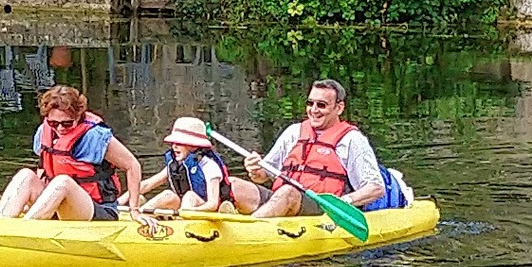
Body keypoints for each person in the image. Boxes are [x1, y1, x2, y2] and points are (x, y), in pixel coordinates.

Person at [0, 85, 147, 222]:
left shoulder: (95, 136)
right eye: (54, 123)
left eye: (67, 123)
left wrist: (134, 210)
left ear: (78, 116)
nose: (60, 128)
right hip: (56, 203)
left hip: (96, 209)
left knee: (63, 181)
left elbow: (132, 166)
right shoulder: (44, 131)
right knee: (25, 175)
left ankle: (27, 229)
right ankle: (2, 223)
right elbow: (43, 169)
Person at [244, 79, 387, 218]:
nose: (314, 110)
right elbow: (263, 176)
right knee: (233, 184)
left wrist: (344, 202)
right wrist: (255, 169)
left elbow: (376, 188)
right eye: (310, 103)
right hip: (280, 199)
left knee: (288, 192)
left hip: (321, 208)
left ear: (339, 108)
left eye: (321, 105)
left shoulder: (352, 140)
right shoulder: (294, 132)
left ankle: (249, 230)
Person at [127, 116, 269, 214]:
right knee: (168, 195)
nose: (174, 146)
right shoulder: (177, 163)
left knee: (189, 196)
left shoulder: (209, 166)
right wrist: (120, 201)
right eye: (173, 143)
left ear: (194, 146)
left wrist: (185, 212)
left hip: (203, 210)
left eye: (180, 143)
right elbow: (146, 185)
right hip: (187, 209)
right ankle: (139, 213)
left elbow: (212, 203)